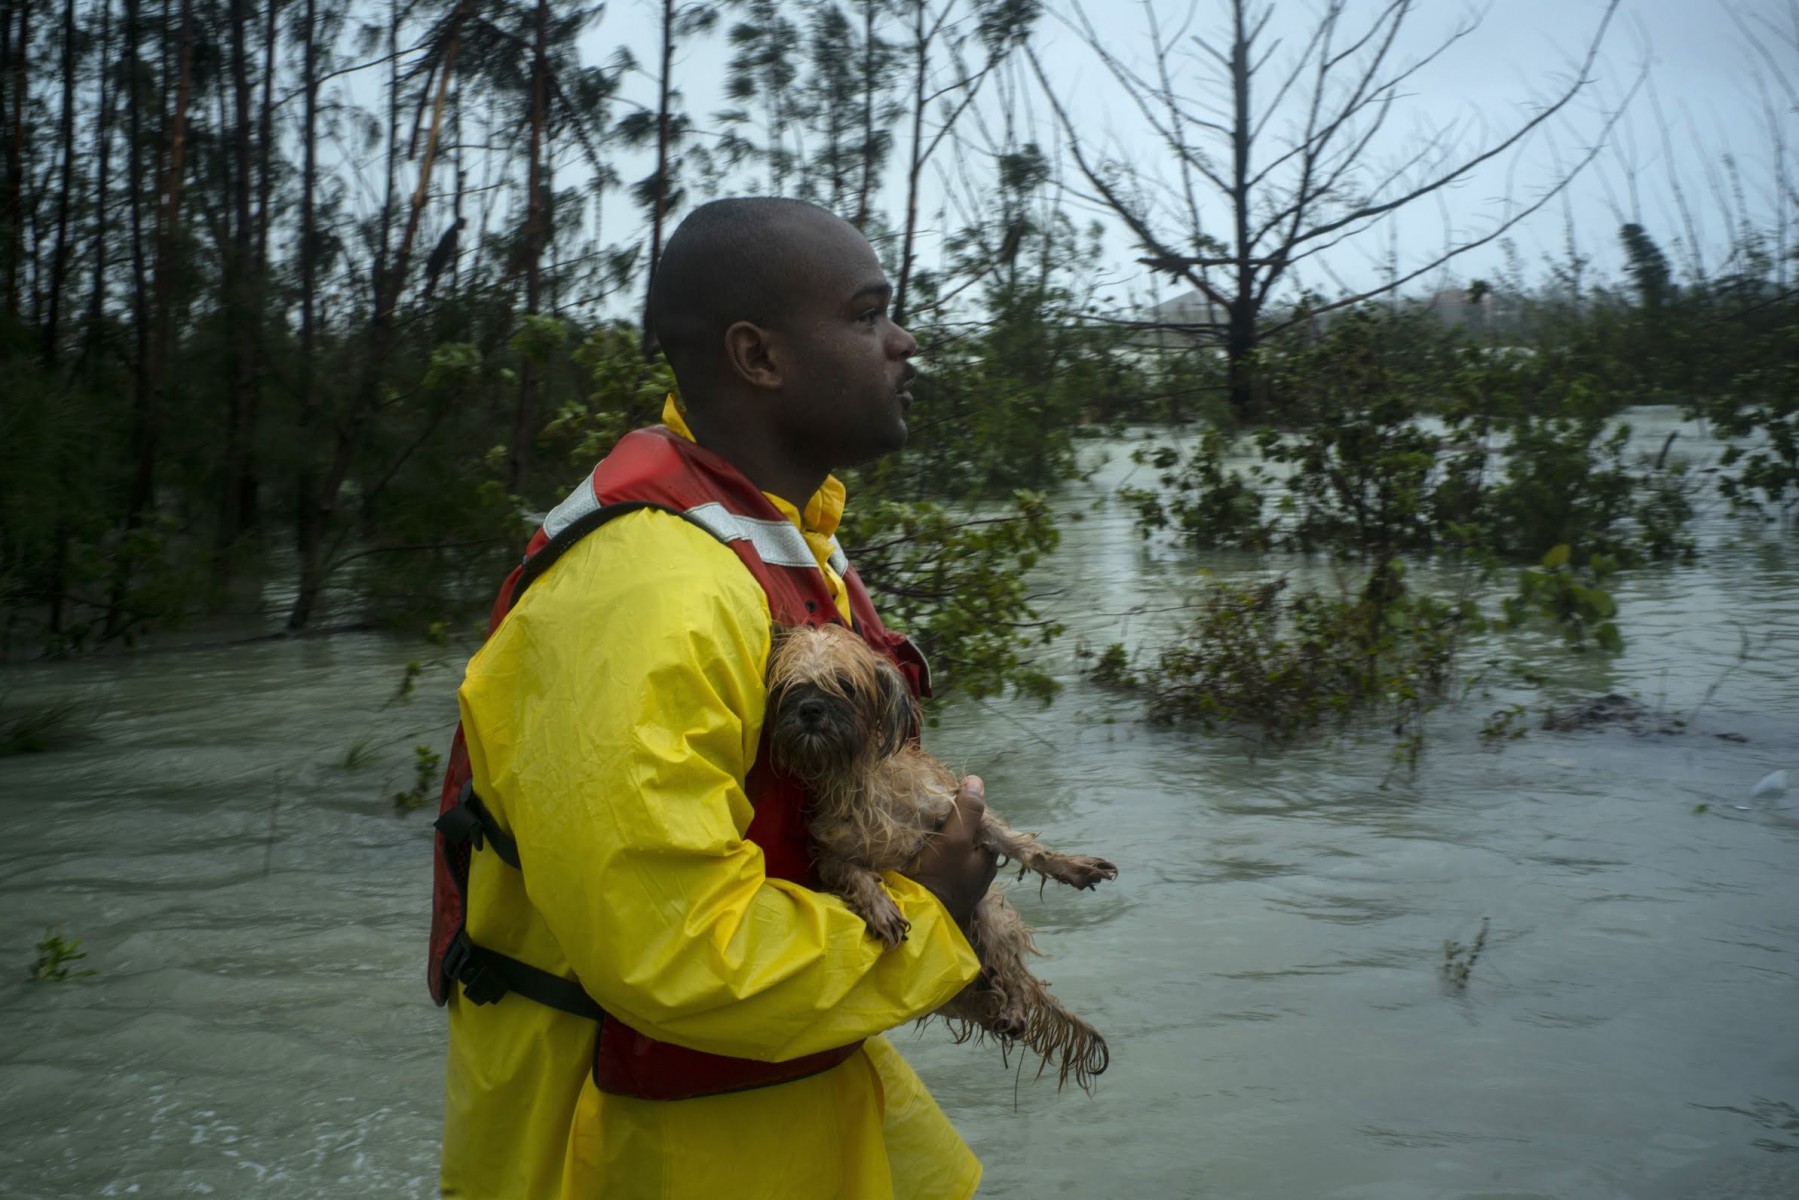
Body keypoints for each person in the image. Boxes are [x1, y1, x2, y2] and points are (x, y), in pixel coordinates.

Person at [433, 197, 998, 1199]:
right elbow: (676, 954)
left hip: (783, 1127)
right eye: (868, 315)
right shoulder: (650, 591)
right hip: (639, 1162)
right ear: (757, 355)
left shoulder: (779, 545)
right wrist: (932, 916)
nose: (902, 342)